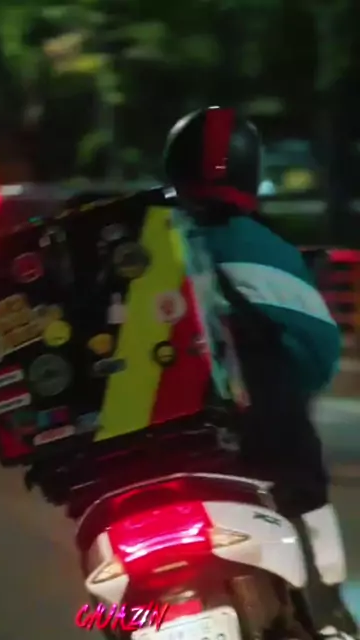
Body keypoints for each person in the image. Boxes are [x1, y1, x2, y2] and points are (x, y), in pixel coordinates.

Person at [163, 105, 358, 640]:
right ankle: (328, 616)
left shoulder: (136, 241)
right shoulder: (272, 252)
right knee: (306, 491)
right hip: (265, 453)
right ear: (251, 172)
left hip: (139, 461)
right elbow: (318, 358)